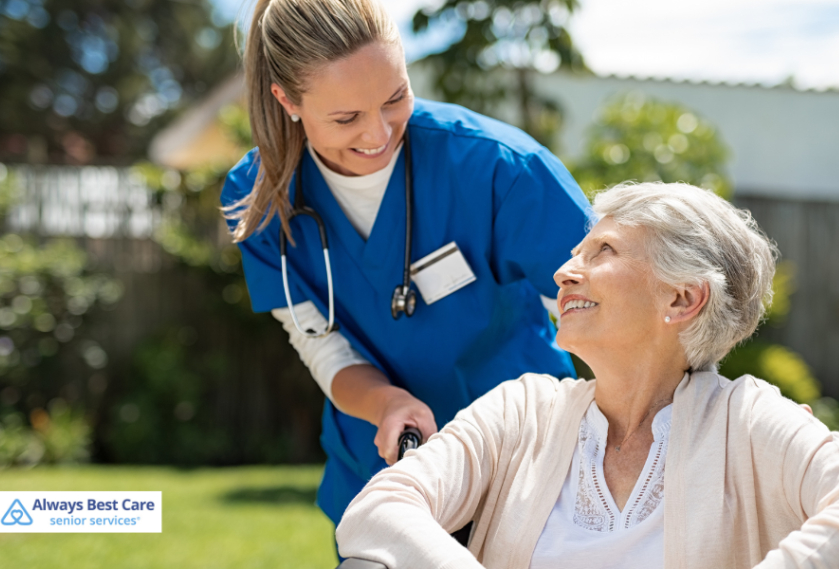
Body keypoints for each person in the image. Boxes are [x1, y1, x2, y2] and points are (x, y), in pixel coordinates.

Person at [336, 182, 839, 568]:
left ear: (681, 300)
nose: (566, 272)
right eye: (576, 253)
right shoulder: (522, 410)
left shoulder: (747, 419)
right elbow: (377, 510)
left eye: (603, 252)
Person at [220, 0, 591, 527]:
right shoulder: (257, 199)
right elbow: (320, 343)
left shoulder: (501, 169)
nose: (378, 135)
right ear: (287, 100)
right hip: (382, 475)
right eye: (346, 118)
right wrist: (385, 405)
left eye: (396, 98)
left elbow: (609, 317)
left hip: (526, 465)